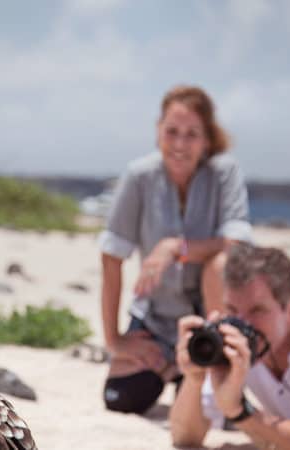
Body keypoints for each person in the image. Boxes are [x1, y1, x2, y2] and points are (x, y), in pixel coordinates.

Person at [99, 85, 252, 414]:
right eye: (172, 132)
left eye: (192, 134)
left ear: (207, 139)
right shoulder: (139, 176)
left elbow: (237, 244)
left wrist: (175, 247)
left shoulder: (225, 173)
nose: (180, 144)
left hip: (208, 319)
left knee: (221, 262)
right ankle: (173, 369)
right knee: (121, 398)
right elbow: (111, 256)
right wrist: (114, 340)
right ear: (158, 132)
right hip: (155, 320)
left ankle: (212, 362)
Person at [170, 243, 290, 450]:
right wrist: (194, 379)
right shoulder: (238, 345)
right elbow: (185, 438)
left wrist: (241, 413)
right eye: (232, 309)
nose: (242, 324)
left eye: (257, 310)